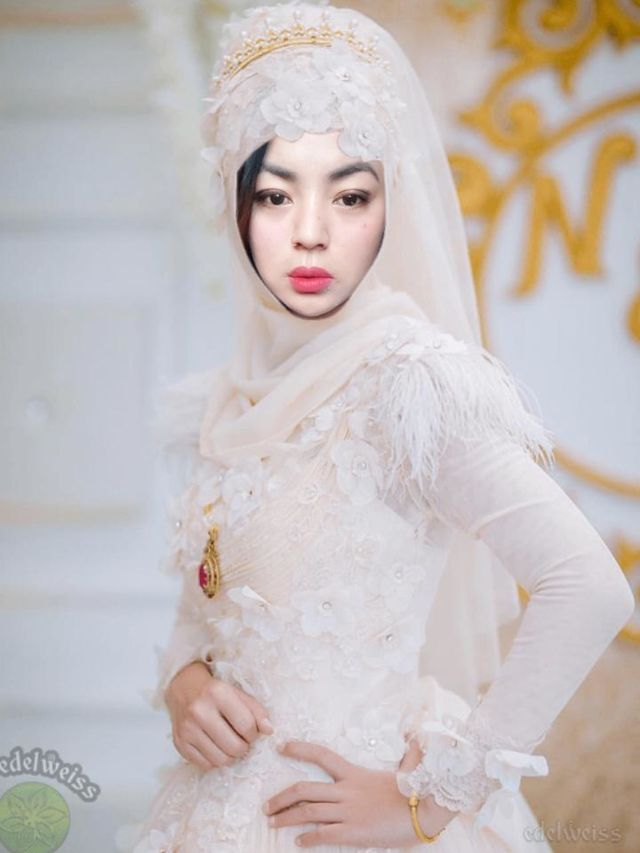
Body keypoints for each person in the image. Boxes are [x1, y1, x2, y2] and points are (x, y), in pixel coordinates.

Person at [126, 3, 635, 851]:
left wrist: (432, 800)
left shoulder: (408, 384)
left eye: (350, 195)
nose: (312, 232)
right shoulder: (226, 400)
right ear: (233, 206)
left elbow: (588, 584)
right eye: (275, 195)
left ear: (390, 203)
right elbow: (204, 610)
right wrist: (186, 685)